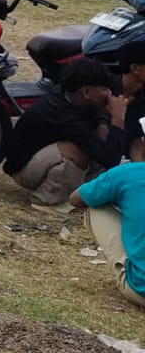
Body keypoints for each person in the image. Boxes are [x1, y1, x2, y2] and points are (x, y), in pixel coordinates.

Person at [3, 58, 125, 209]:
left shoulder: (73, 96)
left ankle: (80, 192)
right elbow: (109, 159)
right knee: (74, 151)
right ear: (86, 92)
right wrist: (118, 119)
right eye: (105, 89)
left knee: (100, 142)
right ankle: (47, 200)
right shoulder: (60, 113)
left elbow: (99, 122)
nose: (109, 94)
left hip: (43, 158)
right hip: (23, 169)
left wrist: (102, 125)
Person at [71, 123, 145, 309]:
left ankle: (133, 269)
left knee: (95, 207)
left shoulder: (127, 174)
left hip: (141, 290)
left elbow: (76, 199)